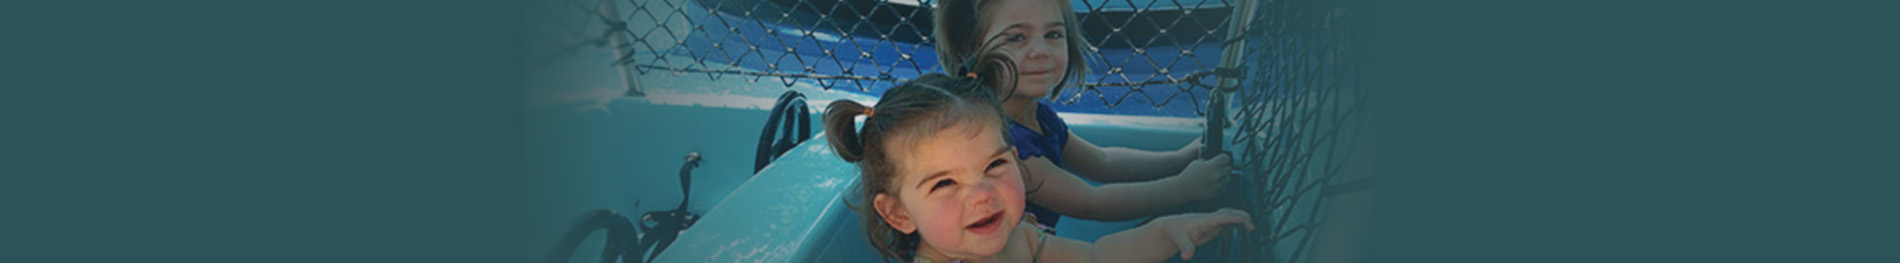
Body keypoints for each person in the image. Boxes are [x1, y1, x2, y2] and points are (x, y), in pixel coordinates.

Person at [822, 72, 1252, 263]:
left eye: (994, 164)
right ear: (898, 213)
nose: (982, 194)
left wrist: (1167, 233)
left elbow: (1097, 255)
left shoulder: (1019, 236)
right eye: (944, 184)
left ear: (1016, 157)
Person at [932, 0, 1232, 227]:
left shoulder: (1037, 116)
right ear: (970, 49)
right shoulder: (1002, 144)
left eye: (1053, 34)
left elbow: (1102, 162)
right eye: (1016, 38)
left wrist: (1180, 159)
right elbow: (1092, 203)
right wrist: (1184, 189)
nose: (1041, 51)